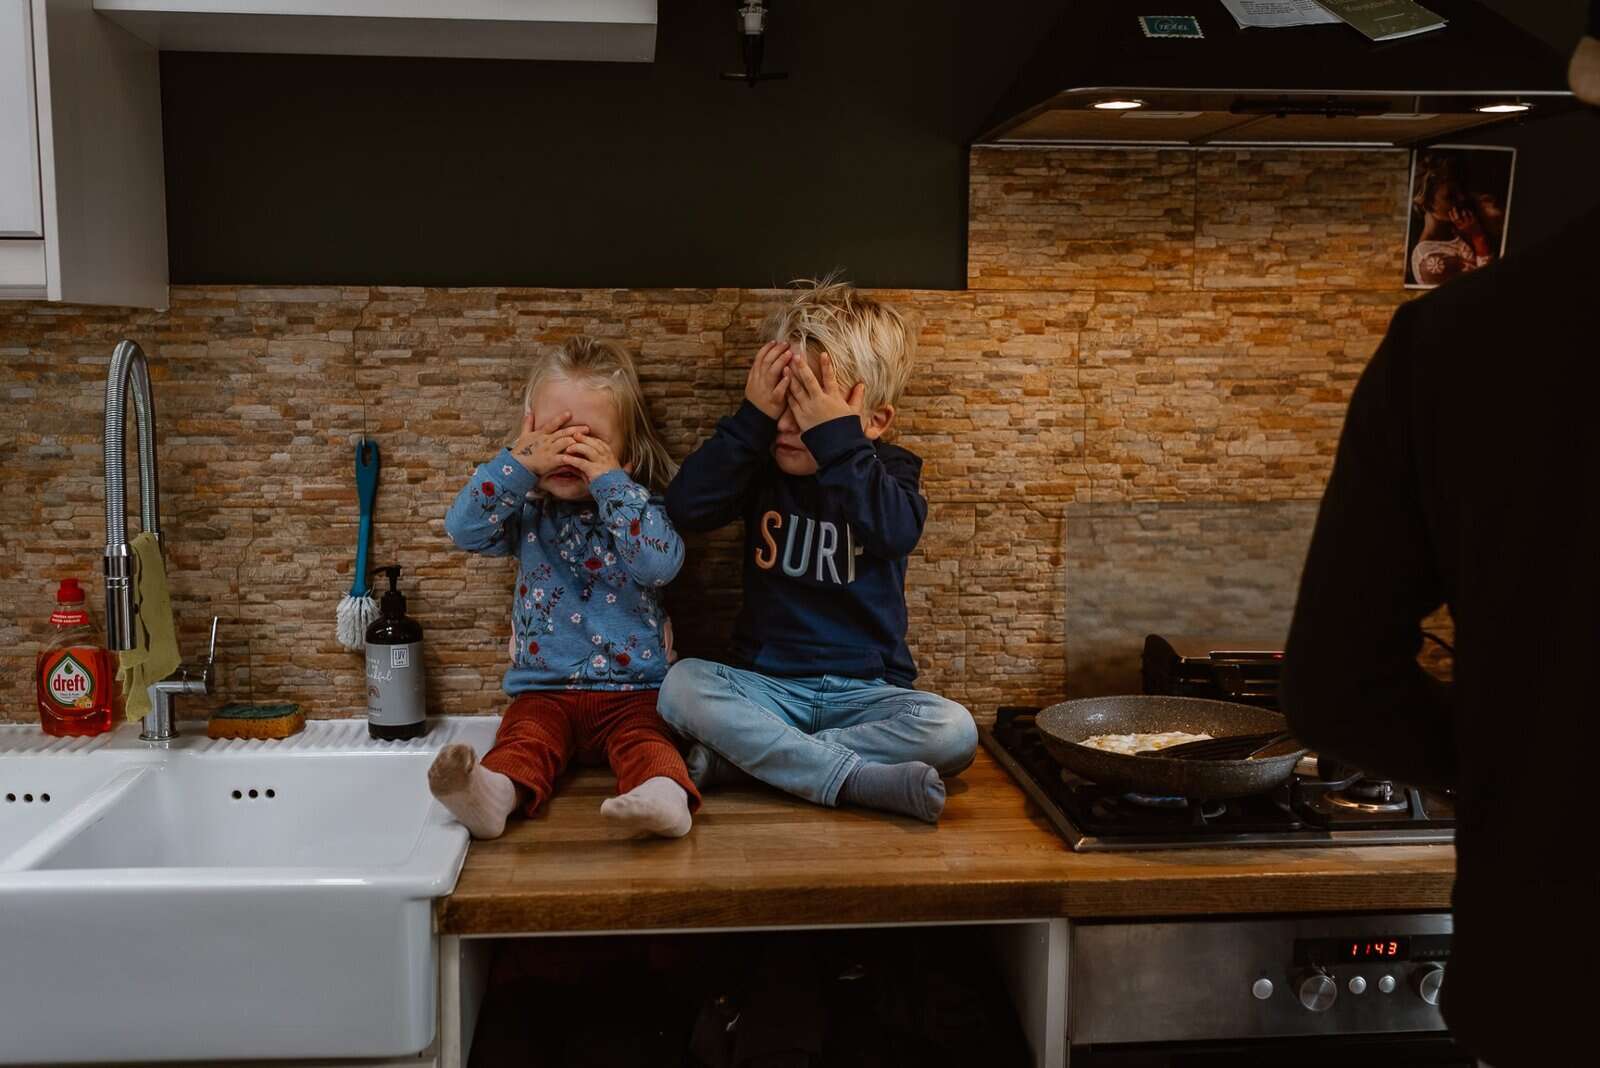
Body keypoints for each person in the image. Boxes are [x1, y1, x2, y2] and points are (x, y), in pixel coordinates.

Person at [1281, 10, 1600, 1064]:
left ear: (1590, 75)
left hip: (1556, 979)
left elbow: (1334, 681)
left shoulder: (1459, 343)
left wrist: (1524, 758)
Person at [656, 277, 978, 824]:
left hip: (868, 696)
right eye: (783, 401)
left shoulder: (889, 473)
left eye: (809, 408)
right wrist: (750, 422)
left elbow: (894, 532)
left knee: (955, 731)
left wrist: (839, 444)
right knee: (679, 687)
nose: (787, 423)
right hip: (766, 687)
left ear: (874, 422)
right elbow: (687, 509)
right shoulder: (759, 465)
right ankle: (852, 778)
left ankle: (753, 760)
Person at [427, 338, 700, 840]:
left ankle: (663, 796)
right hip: (544, 691)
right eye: (553, 434)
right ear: (528, 434)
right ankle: (493, 796)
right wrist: (517, 465)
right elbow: (462, 529)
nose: (568, 451)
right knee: (524, 740)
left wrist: (613, 483)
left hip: (634, 692)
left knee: (651, 743)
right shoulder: (527, 510)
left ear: (627, 451)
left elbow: (660, 566)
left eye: (588, 439)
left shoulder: (639, 509)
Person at [1408, 154, 1502, 287]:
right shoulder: (1431, 261)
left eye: (1460, 190)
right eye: (1450, 196)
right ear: (1427, 205)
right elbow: (1484, 286)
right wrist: (1477, 237)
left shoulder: (1461, 225)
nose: (1462, 198)